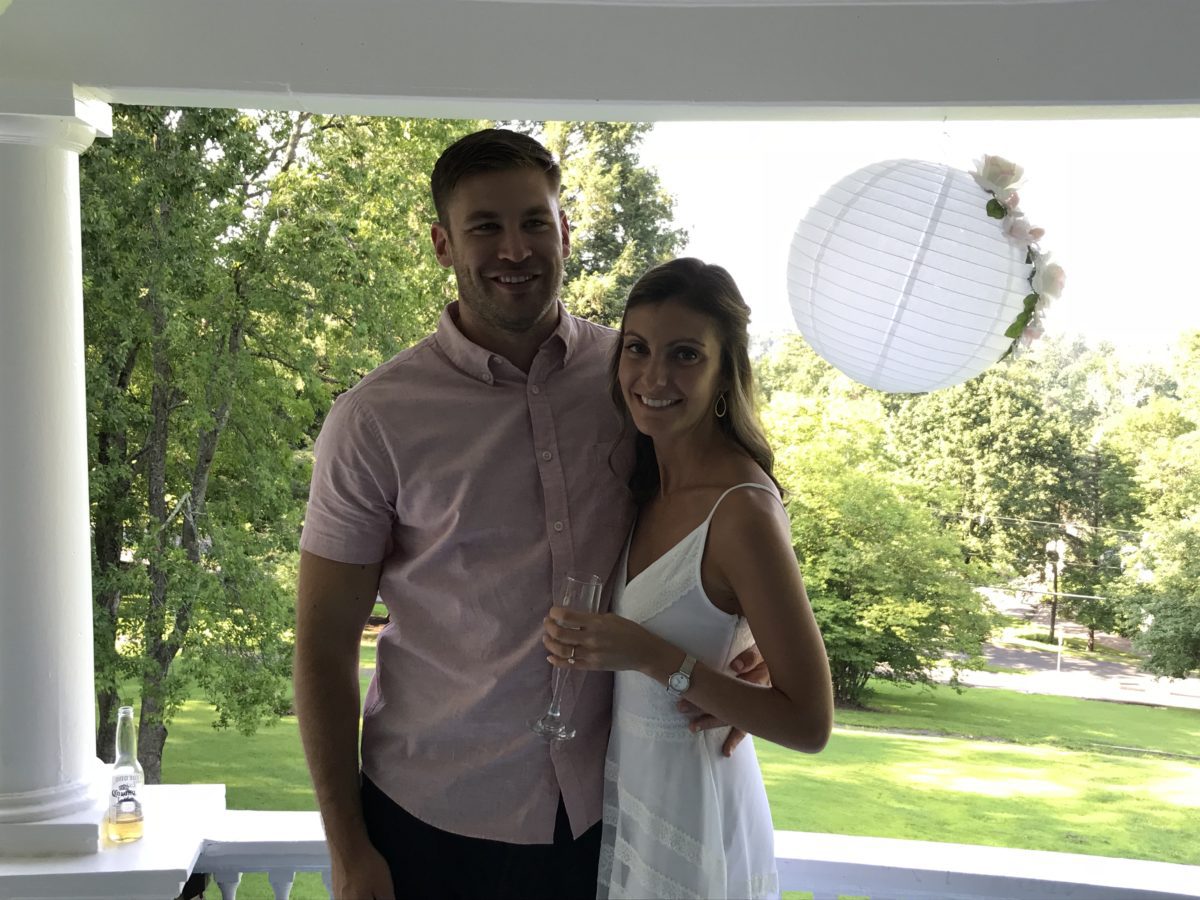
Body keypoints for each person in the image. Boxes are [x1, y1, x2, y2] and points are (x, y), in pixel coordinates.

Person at [293, 129, 762, 900]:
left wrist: (751, 638)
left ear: (565, 231)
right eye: (485, 227)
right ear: (444, 244)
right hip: (432, 820)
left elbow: (726, 507)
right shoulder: (373, 420)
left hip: (612, 806)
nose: (514, 249)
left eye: (534, 223)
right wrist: (348, 849)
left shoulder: (637, 382)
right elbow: (322, 647)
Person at [542, 258, 835, 900]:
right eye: (637, 349)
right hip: (637, 796)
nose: (654, 377)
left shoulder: (741, 510)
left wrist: (653, 656)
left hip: (698, 807)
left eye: (685, 355)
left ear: (725, 372)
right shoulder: (647, 484)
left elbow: (811, 723)